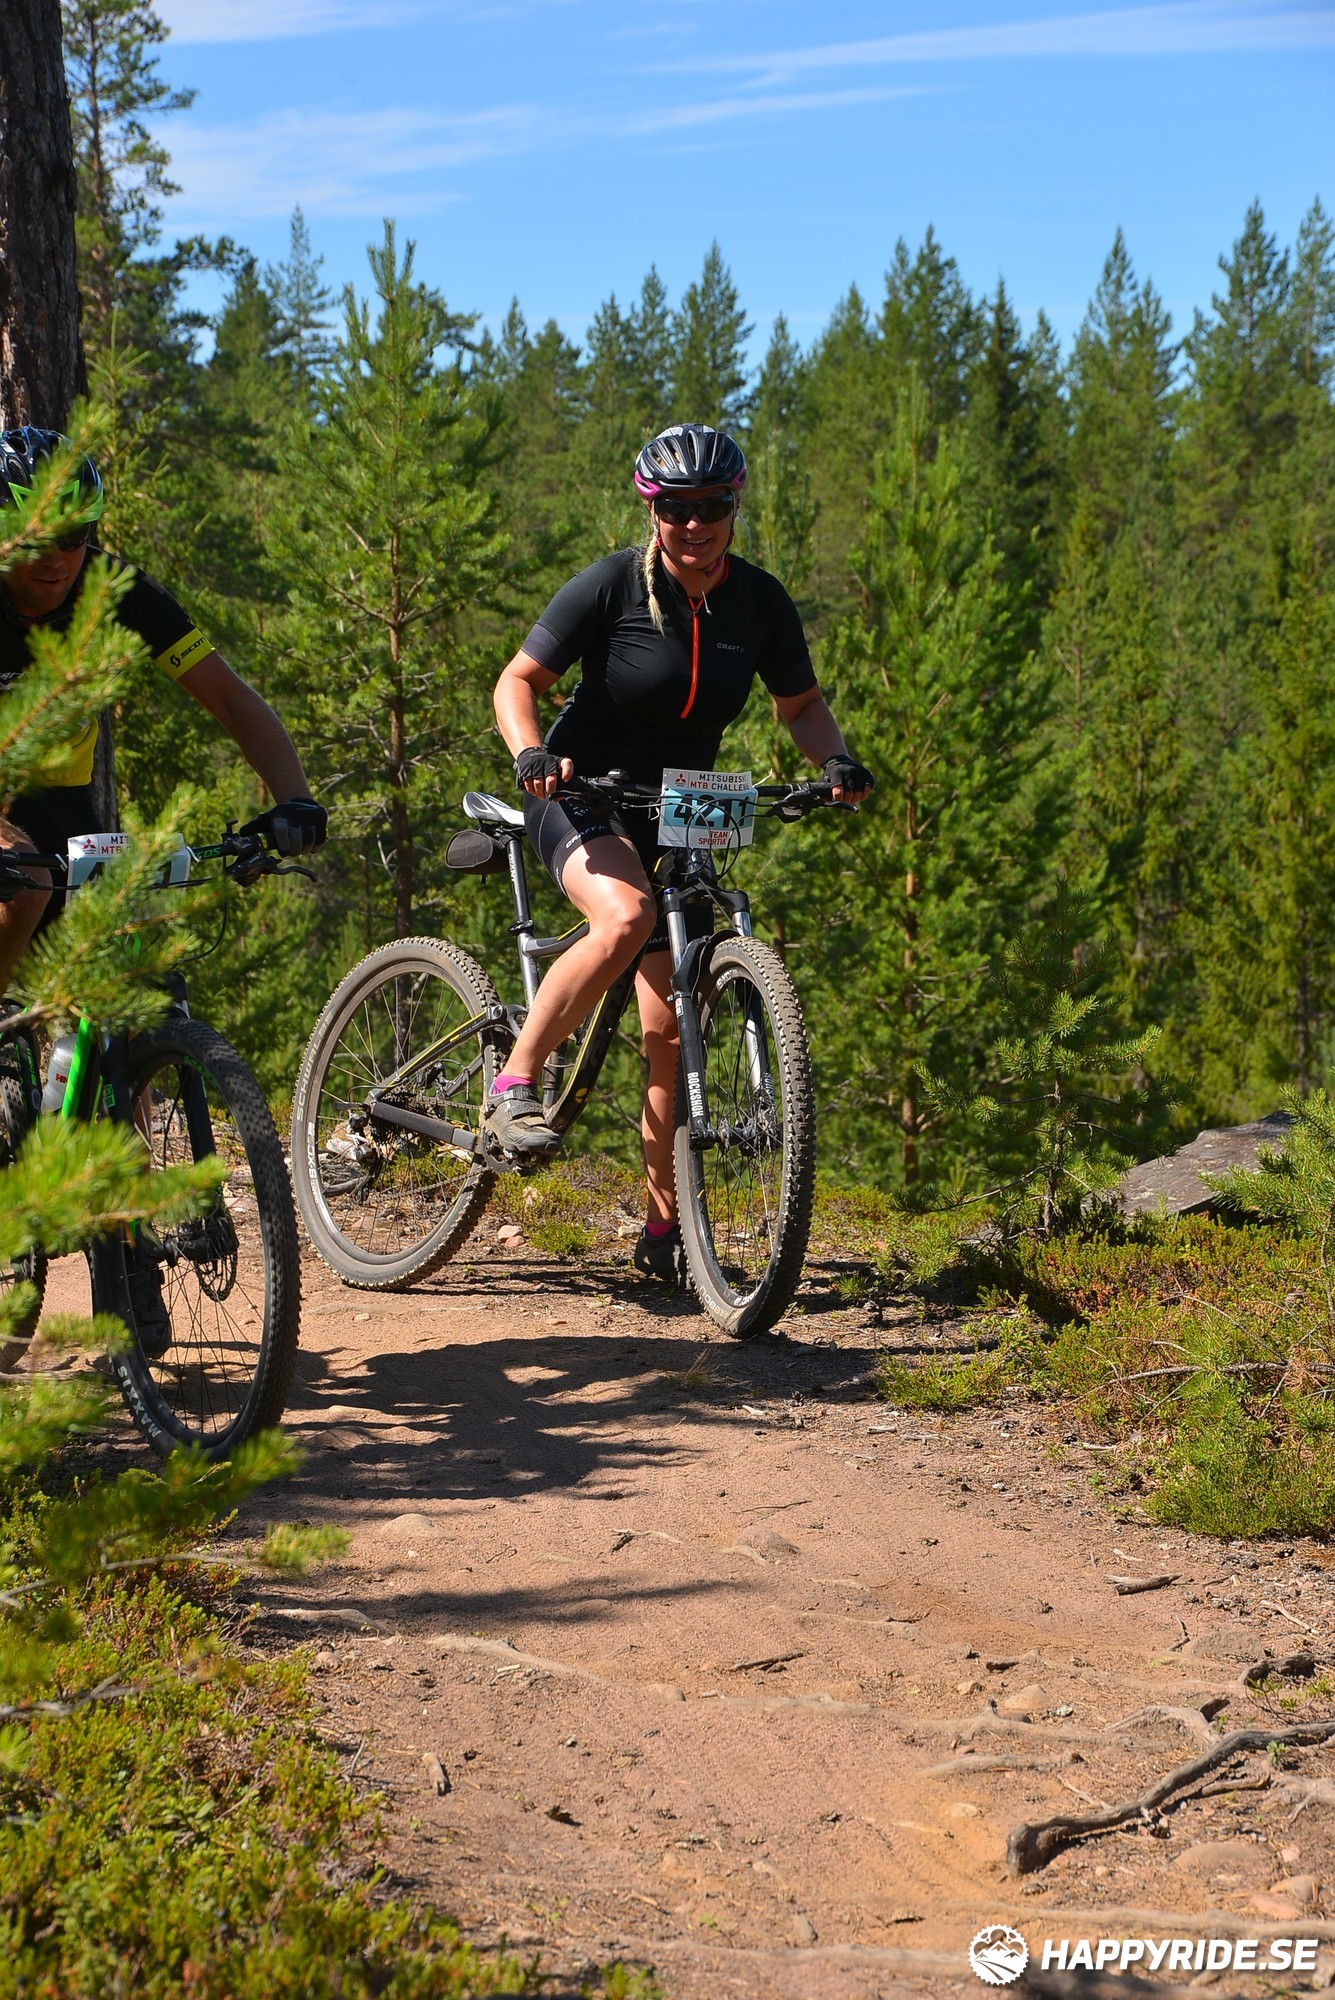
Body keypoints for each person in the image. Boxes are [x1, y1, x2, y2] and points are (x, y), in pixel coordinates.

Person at [490, 421, 873, 1282]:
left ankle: (665, 1232)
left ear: (734, 505)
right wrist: (531, 752)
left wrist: (834, 762)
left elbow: (800, 706)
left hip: (680, 811)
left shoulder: (759, 603)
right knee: (622, 916)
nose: (693, 524)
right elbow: (517, 681)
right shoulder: (610, 586)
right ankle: (514, 1084)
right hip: (579, 792)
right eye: (675, 509)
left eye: (710, 506)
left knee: (669, 1024)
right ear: (650, 509)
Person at [0, 427, 327, 998]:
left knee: (126, 986)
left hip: (62, 802)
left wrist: (295, 798)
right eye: (37, 538)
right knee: (26, 887)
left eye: (73, 536)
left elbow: (230, 698)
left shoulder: (117, 592)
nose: (56, 559)